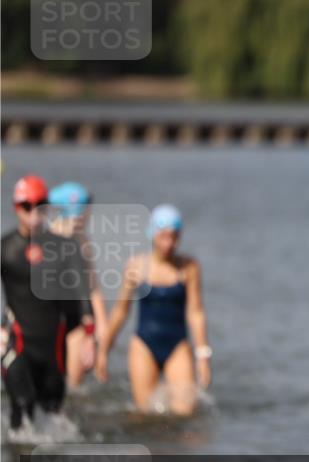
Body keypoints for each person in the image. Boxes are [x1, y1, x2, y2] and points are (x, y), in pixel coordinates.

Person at [96, 204, 211, 416]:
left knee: (185, 412)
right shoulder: (136, 266)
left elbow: (196, 312)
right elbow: (121, 310)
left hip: (178, 345)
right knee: (145, 414)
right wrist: (104, 351)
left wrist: (203, 355)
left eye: (174, 237)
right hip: (143, 345)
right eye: (164, 236)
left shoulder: (189, 267)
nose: (169, 243)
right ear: (152, 234)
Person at [1, 174, 94, 430]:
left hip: (53, 347)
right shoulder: (6, 248)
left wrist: (89, 336)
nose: (33, 213)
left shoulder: (66, 248)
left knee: (51, 414)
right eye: (26, 206)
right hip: (16, 341)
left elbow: (82, 293)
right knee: (22, 405)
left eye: (39, 205)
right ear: (16, 208)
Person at [47, 182, 108, 390]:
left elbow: (92, 286)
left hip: (79, 319)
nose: (89, 215)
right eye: (85, 210)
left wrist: (101, 325)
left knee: (73, 384)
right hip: (51, 318)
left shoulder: (83, 241)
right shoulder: (45, 241)